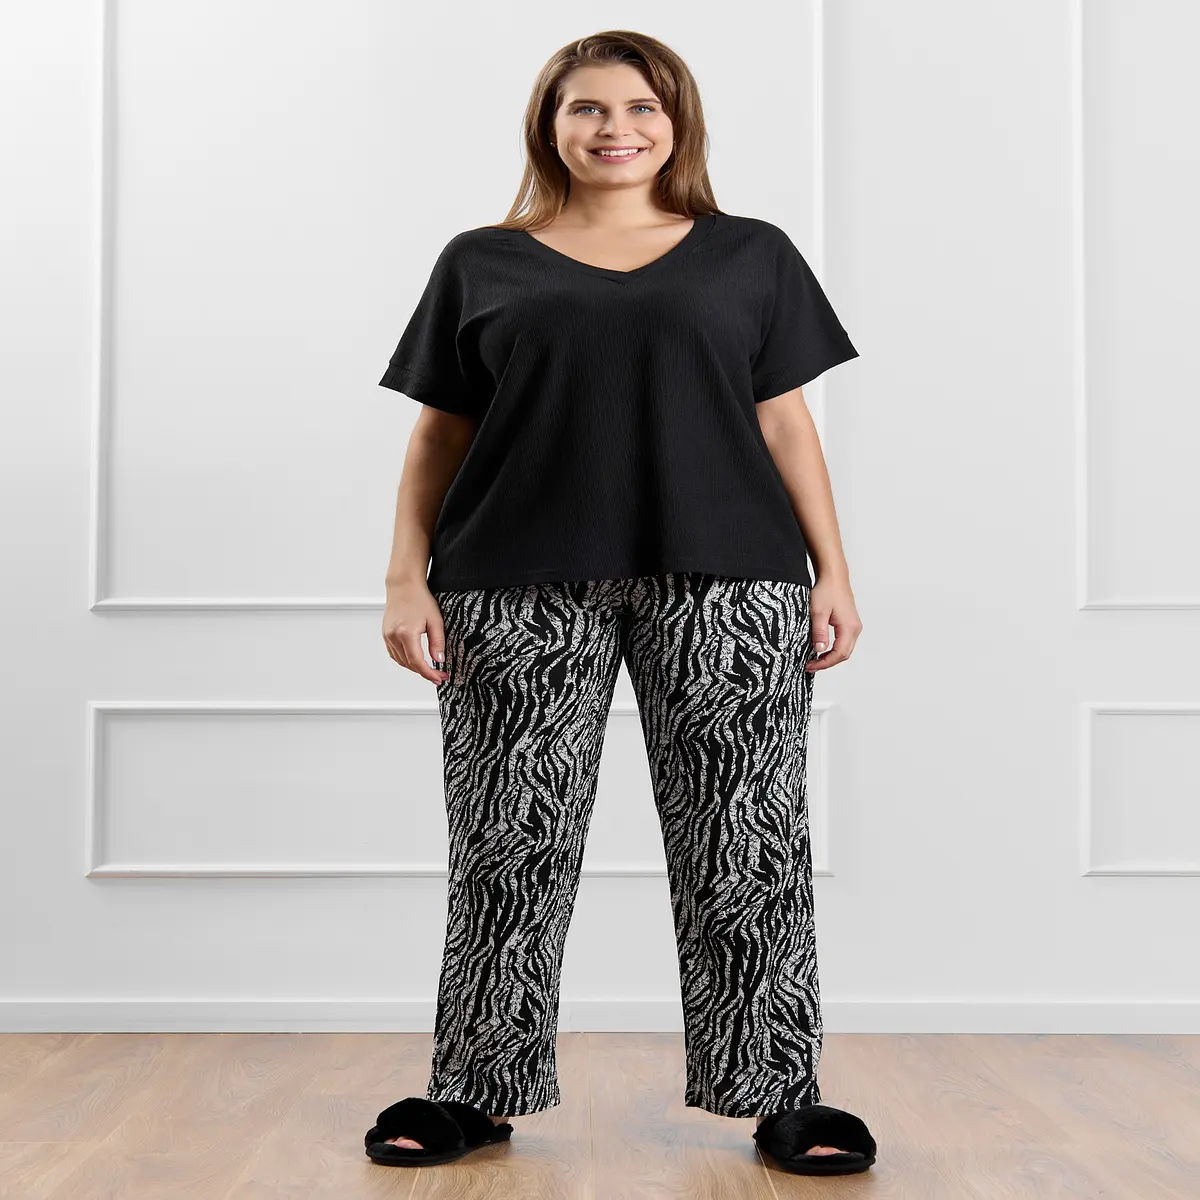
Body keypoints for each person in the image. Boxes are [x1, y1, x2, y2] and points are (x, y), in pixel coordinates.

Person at [364, 29, 878, 1177]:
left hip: (730, 578)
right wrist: (404, 577)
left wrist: (833, 571)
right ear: (549, 126)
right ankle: (475, 1087)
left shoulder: (750, 254)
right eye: (587, 108)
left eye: (641, 107)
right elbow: (439, 433)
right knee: (508, 843)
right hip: (515, 583)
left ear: (677, 121)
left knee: (745, 841)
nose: (616, 129)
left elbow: (785, 422)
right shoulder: (482, 261)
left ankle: (781, 1092)